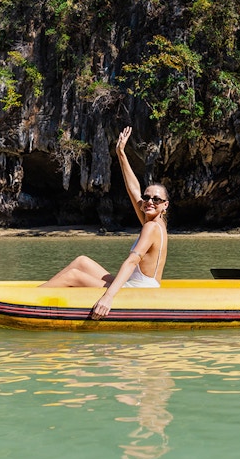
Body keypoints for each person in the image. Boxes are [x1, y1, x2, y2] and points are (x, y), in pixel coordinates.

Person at [40, 127, 169, 318]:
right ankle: (40, 291)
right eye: (147, 197)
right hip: (138, 284)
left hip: (139, 290)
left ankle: (31, 298)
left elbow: (132, 260)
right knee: (82, 261)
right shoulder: (156, 221)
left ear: (164, 205)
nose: (150, 201)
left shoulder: (150, 227)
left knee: (73, 276)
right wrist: (121, 154)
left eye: (156, 199)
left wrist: (108, 297)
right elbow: (134, 190)